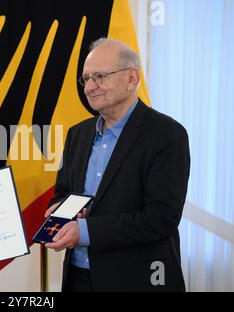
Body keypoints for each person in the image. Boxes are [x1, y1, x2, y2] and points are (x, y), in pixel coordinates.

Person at [44, 38, 190, 292]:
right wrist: (60, 209)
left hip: (138, 280)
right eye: (86, 79)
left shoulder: (167, 135)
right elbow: (63, 192)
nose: (90, 87)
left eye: (99, 76)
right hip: (78, 277)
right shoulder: (78, 134)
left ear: (132, 79)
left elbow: (161, 218)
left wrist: (85, 231)